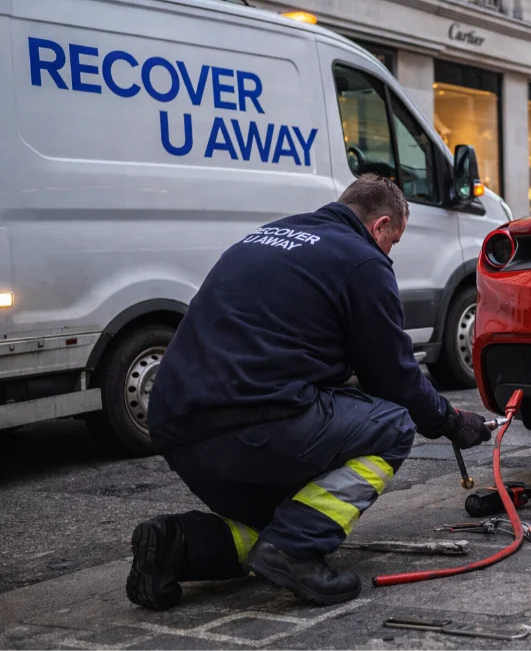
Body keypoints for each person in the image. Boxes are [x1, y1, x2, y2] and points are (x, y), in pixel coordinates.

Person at [126, 173, 492, 610]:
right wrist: (452, 422)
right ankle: (295, 551)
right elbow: (393, 381)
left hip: (174, 423)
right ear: (379, 226)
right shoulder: (362, 261)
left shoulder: (267, 236)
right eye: (394, 240)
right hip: (251, 420)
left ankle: (175, 546)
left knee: (277, 520)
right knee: (392, 426)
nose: (390, 251)